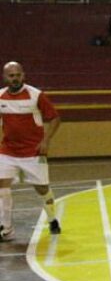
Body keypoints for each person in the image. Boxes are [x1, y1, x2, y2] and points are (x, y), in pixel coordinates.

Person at [0, 62, 62, 241]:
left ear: (23, 75)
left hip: (33, 152)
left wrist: (46, 140)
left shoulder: (36, 95)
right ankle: (6, 229)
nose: (15, 78)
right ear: (5, 78)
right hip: (7, 151)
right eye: (11, 75)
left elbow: (55, 119)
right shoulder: (1, 97)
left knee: (43, 189)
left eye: (18, 75)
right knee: (2, 187)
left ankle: (52, 219)